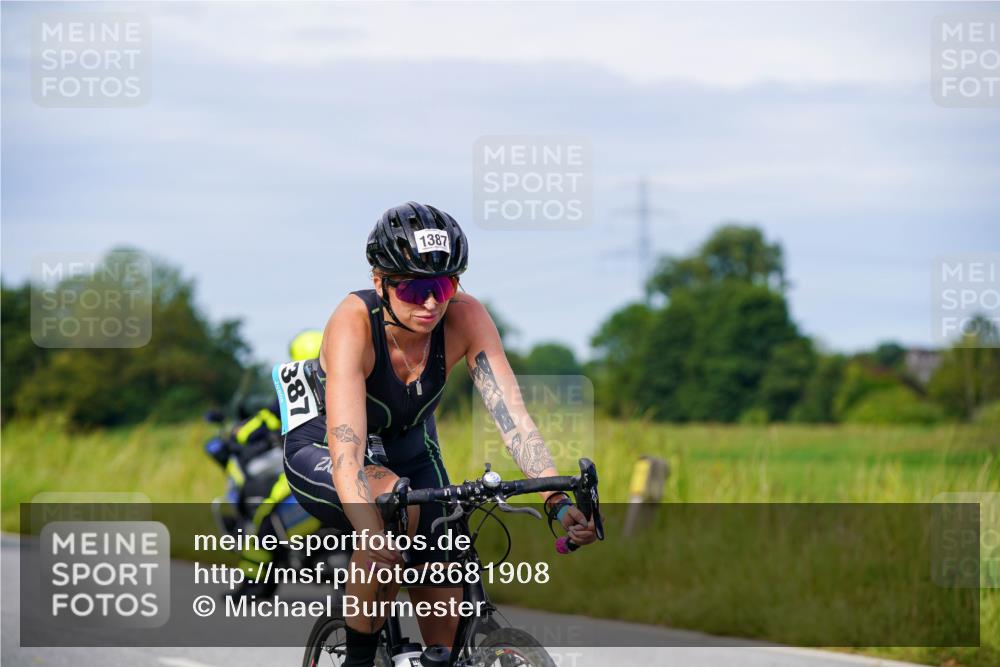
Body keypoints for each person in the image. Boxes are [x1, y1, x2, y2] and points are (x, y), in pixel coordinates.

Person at [282, 202, 598, 667]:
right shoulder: (352, 323)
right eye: (413, 287)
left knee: (446, 602)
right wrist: (370, 533)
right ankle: (358, 660)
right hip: (324, 449)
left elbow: (514, 421)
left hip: (409, 451)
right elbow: (346, 451)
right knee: (389, 508)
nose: (431, 302)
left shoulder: (466, 318)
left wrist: (556, 498)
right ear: (379, 282)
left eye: (444, 285)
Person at [228, 331, 325, 597]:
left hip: (305, 468)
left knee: (265, 514)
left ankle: (253, 583)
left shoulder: (294, 393)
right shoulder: (348, 384)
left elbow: (262, 423)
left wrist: (238, 435)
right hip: (348, 467)